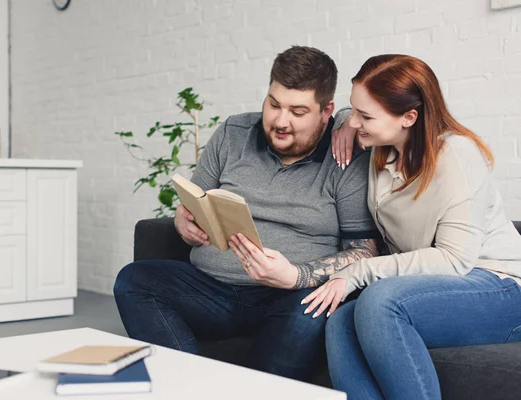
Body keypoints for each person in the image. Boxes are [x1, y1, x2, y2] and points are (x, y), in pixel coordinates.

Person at [113, 46, 381, 383]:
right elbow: (192, 203)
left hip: (289, 296)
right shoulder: (232, 133)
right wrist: (184, 221)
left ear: (326, 111)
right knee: (134, 280)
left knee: (310, 313)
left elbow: (365, 251)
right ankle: (189, 388)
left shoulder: (345, 156)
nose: (281, 121)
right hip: (212, 289)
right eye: (274, 104)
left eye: (298, 112)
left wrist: (295, 275)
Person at [301, 54, 521, 399]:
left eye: (366, 116)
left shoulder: (457, 155)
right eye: (355, 110)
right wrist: (346, 121)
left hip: (502, 286)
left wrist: (358, 271)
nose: (357, 122)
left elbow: (453, 261)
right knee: (341, 321)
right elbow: (347, 115)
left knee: (380, 301)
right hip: (436, 286)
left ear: (409, 117)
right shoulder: (381, 149)